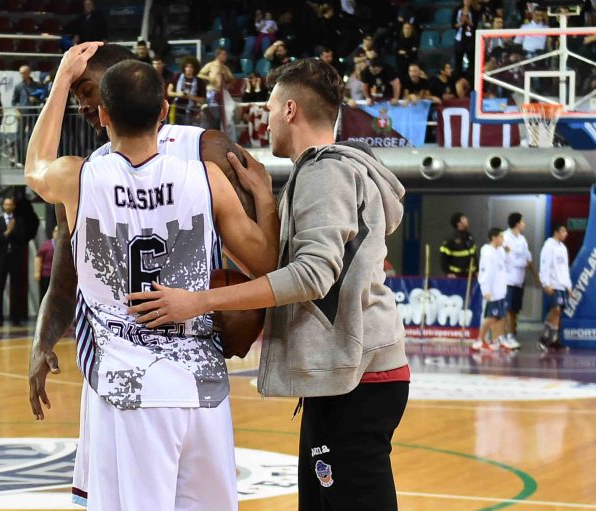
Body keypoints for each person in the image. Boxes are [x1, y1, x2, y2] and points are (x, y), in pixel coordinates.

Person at [128, 58, 409, 511]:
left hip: (360, 377)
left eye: (271, 108)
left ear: (291, 110)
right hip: (350, 376)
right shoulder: (328, 170)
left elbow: (312, 274)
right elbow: (289, 265)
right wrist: (264, 196)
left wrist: (198, 301)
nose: (267, 117)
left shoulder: (325, 172)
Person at [24, 45, 278, 510]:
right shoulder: (207, 177)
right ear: (164, 111)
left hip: (131, 389)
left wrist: (61, 79)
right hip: (203, 388)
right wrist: (264, 197)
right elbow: (265, 264)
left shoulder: (78, 177)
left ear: (103, 115)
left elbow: (35, 165)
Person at [503, 212, 538, 349]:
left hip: (519, 280)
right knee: (509, 310)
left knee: (515, 310)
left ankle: (511, 333)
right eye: (523, 221)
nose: (524, 224)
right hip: (508, 280)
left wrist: (536, 276)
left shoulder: (522, 239)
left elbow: (528, 259)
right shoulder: (505, 237)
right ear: (517, 224)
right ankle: (508, 336)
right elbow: (508, 259)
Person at [474, 228, 510, 352]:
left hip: (500, 291)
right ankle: (479, 340)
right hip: (492, 292)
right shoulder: (488, 253)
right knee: (491, 317)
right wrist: (486, 290)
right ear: (494, 238)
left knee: (500, 317)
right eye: (501, 237)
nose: (503, 239)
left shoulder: (499, 251)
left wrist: (506, 251)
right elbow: (484, 273)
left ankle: (496, 340)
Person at [0, 197, 26, 327]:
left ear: (13, 206)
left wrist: (14, 230)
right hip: (1, 259)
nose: (8, 206)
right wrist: (8, 232)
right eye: (6, 204)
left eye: (10, 204)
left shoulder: (20, 220)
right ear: (3, 206)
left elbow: (22, 238)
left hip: (15, 259)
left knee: (16, 288)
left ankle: (15, 318)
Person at [538, 224, 573, 351]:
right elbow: (544, 266)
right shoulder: (548, 246)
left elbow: (565, 268)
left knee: (558, 313)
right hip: (552, 284)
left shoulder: (563, 248)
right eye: (563, 231)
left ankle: (553, 340)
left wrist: (568, 286)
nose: (566, 233)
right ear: (556, 232)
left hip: (562, 285)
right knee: (556, 310)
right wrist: (545, 283)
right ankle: (543, 338)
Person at [12, 65, 42, 165]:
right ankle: (21, 159)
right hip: (22, 115)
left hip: (34, 114)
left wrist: (36, 100)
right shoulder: (18, 86)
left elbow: (43, 98)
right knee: (19, 137)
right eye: (21, 73)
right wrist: (17, 111)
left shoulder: (37, 85)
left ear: (29, 73)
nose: (22, 75)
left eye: (24, 73)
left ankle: (33, 159)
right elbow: (14, 101)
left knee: (34, 137)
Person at [198, 47, 234, 129]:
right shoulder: (210, 65)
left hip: (221, 93)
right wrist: (209, 78)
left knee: (222, 115)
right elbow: (200, 74)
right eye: (223, 54)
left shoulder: (225, 68)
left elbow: (232, 79)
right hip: (212, 92)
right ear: (218, 55)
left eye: (226, 55)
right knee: (214, 114)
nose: (225, 56)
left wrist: (228, 85)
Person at [167, 57, 205, 126]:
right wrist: (178, 94)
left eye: (191, 67)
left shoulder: (200, 81)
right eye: (187, 66)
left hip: (192, 112)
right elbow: (169, 92)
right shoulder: (177, 76)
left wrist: (190, 96)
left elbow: (202, 100)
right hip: (177, 110)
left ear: (195, 68)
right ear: (184, 67)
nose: (189, 69)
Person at [440, 212, 478, 278]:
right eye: (463, 218)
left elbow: (474, 255)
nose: (466, 220)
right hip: (457, 276)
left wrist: (477, 270)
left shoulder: (469, 236)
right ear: (458, 223)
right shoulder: (450, 239)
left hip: (471, 275)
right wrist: (448, 273)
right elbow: (444, 259)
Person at [452, 0, 476, 76]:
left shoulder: (474, 10)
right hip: (459, 38)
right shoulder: (457, 9)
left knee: (472, 61)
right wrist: (461, 23)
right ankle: (458, 77)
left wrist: (468, 21)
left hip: (470, 39)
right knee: (458, 62)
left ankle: (471, 77)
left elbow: (475, 25)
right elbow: (453, 25)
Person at [35, 225, 56, 302]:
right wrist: (37, 272)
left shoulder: (65, 245)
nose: (57, 233)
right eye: (56, 231)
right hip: (46, 275)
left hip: (59, 277)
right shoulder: (47, 244)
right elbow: (38, 257)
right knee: (44, 296)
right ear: (53, 233)